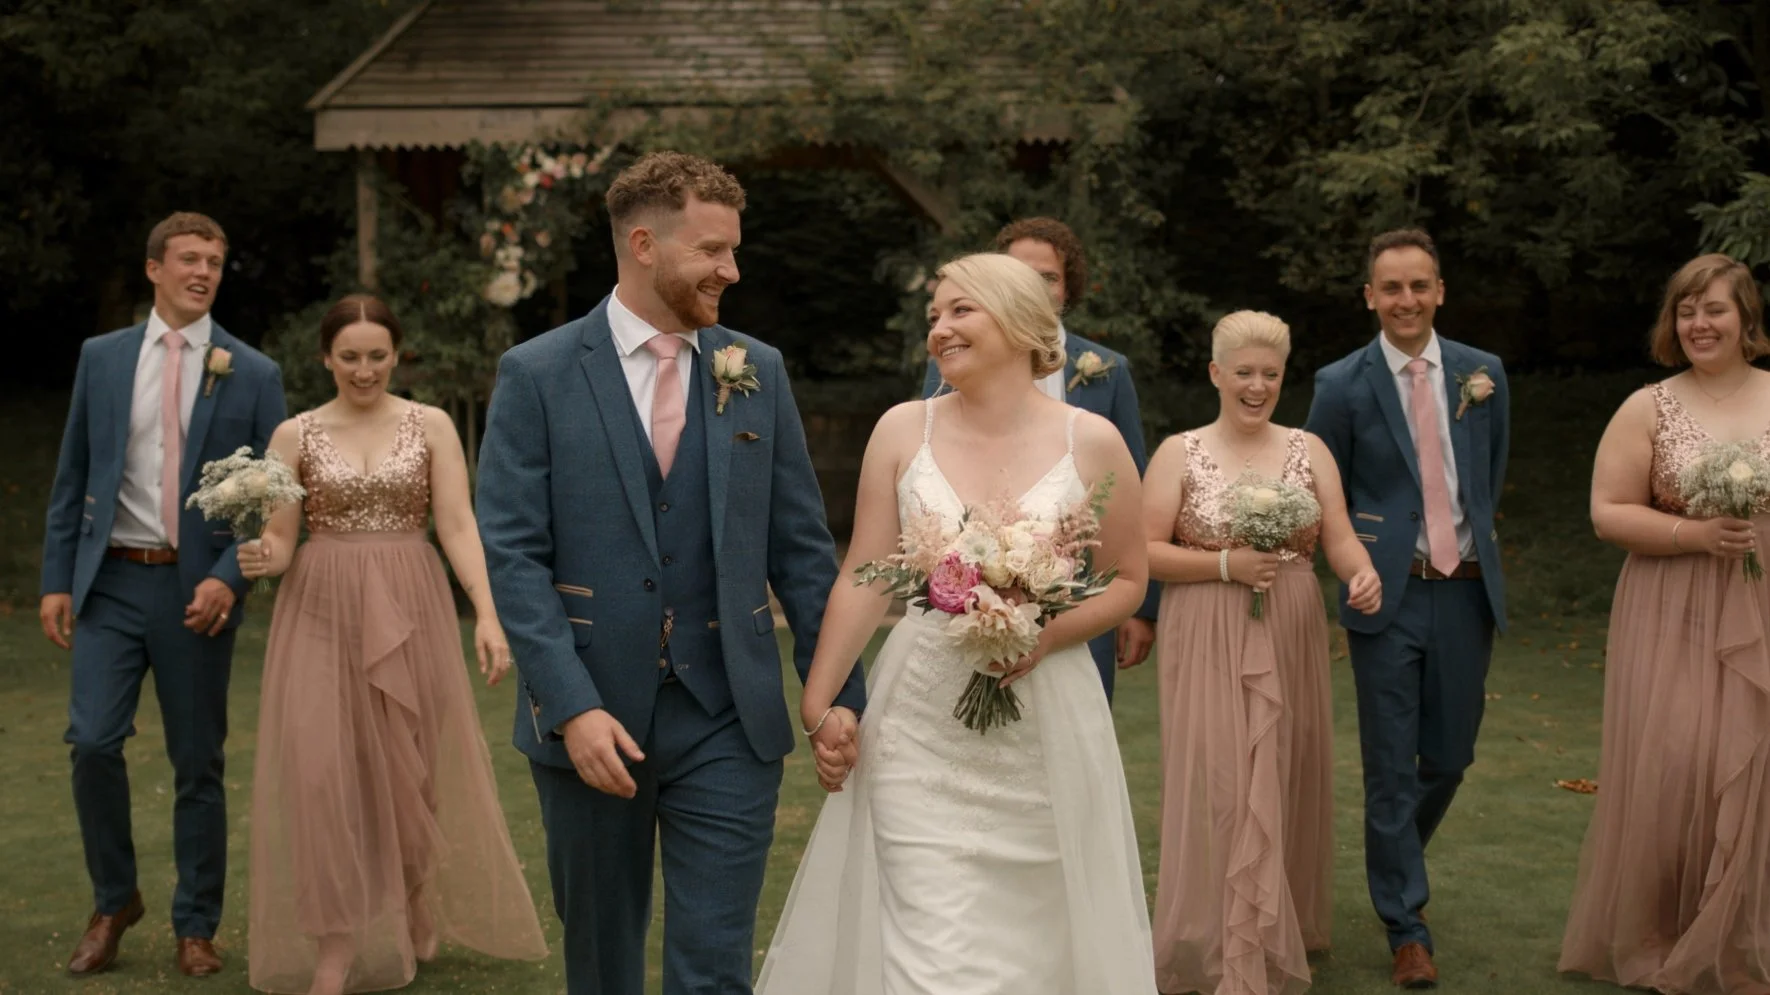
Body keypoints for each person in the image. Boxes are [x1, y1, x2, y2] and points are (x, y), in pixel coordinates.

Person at [475, 151, 866, 995]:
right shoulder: (536, 373)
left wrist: (839, 693)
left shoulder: (756, 370)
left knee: (714, 969)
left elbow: (802, 549)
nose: (732, 270)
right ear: (644, 245)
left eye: (734, 250)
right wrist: (570, 706)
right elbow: (513, 555)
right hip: (591, 717)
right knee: (602, 966)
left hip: (729, 713)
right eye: (712, 250)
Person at [758, 252, 1156, 995]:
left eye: (960, 310)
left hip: (1044, 736)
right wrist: (819, 701)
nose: (939, 328)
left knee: (1038, 954)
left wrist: (1045, 632)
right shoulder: (902, 430)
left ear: (1020, 320)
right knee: (931, 959)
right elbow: (864, 574)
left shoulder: (1093, 442)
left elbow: (1129, 579)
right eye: (934, 315)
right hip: (919, 732)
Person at [237, 295, 546, 994]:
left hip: (411, 603)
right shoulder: (292, 434)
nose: (364, 370)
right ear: (326, 358)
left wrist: (487, 613)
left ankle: (411, 894)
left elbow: (457, 524)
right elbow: (282, 537)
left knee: (413, 772)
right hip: (319, 607)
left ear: (397, 355)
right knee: (321, 777)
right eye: (349, 357)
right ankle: (334, 945)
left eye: (377, 356)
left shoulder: (430, 424)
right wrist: (262, 554)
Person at [39, 211, 286, 977]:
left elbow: (269, 492)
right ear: (155, 268)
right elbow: (75, 471)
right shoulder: (102, 357)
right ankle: (114, 901)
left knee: (197, 761)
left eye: (214, 260)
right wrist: (56, 578)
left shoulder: (252, 371)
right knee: (92, 742)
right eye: (188, 258)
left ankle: (196, 923)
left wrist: (227, 575)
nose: (202, 271)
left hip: (196, 590)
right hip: (110, 581)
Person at [1143, 310, 1380, 995]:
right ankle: (1220, 938)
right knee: (1221, 779)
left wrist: (1361, 571)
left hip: (1289, 624)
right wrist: (1225, 565)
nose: (1257, 386)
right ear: (1216, 374)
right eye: (1243, 372)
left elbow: (1338, 535)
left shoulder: (1310, 449)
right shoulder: (1179, 452)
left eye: (1270, 374)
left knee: (1280, 770)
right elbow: (1145, 550)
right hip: (1205, 626)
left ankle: (1272, 932)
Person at [1303, 228, 1509, 988]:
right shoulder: (1340, 384)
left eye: (1419, 285)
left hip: (1465, 590)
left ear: (1439, 291)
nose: (1406, 299)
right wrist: (1359, 560)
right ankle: (1406, 927)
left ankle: (1392, 857)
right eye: (1390, 287)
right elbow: (1323, 485)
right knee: (1390, 766)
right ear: (1370, 296)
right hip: (1385, 591)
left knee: (1449, 758)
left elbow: (1488, 473)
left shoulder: (1483, 374)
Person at [1560, 253, 1770, 994]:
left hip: (1763, 600)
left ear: (1746, 317)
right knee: (1678, 764)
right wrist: (1696, 535)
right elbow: (1608, 512)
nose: (1698, 324)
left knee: (1756, 766)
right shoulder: (1647, 407)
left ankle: (1740, 939)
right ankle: (1659, 937)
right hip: (1670, 605)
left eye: (1714, 308)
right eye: (1686, 310)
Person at [921, 218, 1157, 700]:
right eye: (1019, 272)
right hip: (968, 599)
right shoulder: (950, 360)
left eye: (1048, 276)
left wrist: (1142, 609)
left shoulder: (1107, 371)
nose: (1032, 284)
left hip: (1080, 597)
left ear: (1068, 288)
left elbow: (1134, 494)